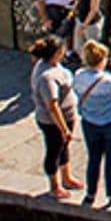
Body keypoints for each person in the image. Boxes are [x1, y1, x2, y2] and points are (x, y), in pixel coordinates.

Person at [74, 39, 111, 207]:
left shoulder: (78, 75)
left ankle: (90, 194)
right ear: (102, 60)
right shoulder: (109, 80)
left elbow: (76, 91)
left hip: (90, 121)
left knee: (93, 157)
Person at [29, 37, 83, 199]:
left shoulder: (50, 65)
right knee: (54, 150)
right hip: (53, 121)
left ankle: (66, 177)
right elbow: (52, 106)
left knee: (63, 147)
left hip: (66, 115)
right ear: (57, 53)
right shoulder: (47, 77)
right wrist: (63, 128)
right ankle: (54, 186)